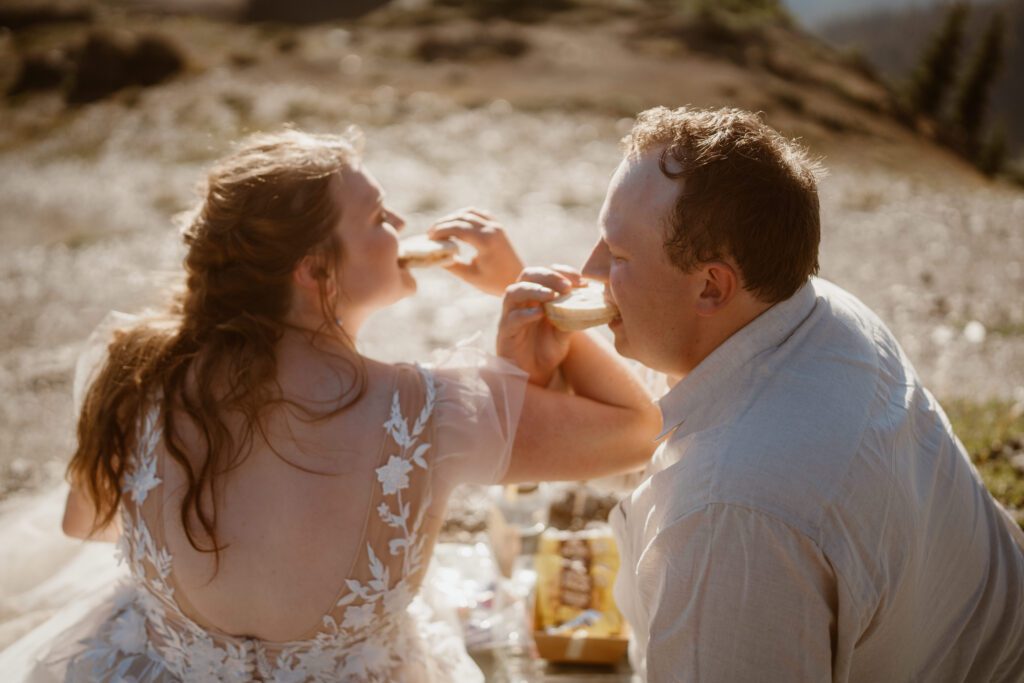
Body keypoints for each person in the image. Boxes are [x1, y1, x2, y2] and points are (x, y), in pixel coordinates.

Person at [0, 128, 660, 682]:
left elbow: (85, 523)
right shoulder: (428, 411)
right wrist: (523, 294)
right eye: (377, 219)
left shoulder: (136, 371)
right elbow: (637, 429)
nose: (401, 228)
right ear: (315, 271)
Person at [501, 106, 1024, 682]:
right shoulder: (819, 312)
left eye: (618, 256)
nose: (589, 269)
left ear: (711, 285)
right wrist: (550, 370)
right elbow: (661, 413)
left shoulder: (731, 514)